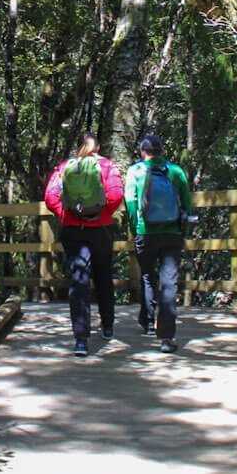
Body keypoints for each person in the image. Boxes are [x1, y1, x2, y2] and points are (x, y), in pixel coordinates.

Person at [44, 133, 124, 356]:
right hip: (100, 228)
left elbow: (51, 197)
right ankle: (107, 327)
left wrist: (66, 214)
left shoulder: (64, 167)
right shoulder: (107, 165)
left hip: (72, 229)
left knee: (78, 281)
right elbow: (117, 194)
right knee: (103, 277)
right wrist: (101, 213)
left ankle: (81, 339)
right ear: (97, 147)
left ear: (78, 146)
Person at [124, 133, 192, 353]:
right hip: (172, 232)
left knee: (146, 275)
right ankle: (167, 337)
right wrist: (183, 228)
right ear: (162, 151)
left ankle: (148, 322)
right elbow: (187, 203)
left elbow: (131, 202)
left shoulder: (135, 171)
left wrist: (136, 228)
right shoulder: (175, 171)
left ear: (143, 152)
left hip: (146, 232)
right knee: (169, 282)